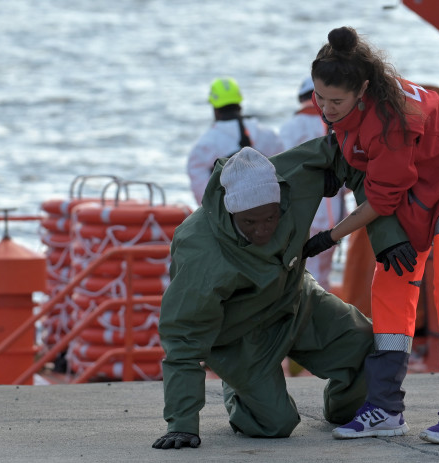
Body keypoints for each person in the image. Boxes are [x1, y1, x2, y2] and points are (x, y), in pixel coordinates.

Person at [302, 26, 439, 444]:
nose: (326, 108)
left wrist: (328, 238)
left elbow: (381, 202)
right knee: (389, 289)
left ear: (363, 89)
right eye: (320, 97)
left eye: (336, 101)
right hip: (415, 197)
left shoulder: (392, 122)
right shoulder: (348, 109)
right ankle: (386, 408)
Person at [152, 139, 405, 450]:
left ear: (283, 199)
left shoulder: (297, 177)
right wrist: (182, 423)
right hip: (240, 336)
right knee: (275, 425)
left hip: (295, 296)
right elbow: (183, 336)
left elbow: (355, 156)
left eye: (270, 218)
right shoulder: (200, 250)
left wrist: (388, 238)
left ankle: (344, 410)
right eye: (250, 222)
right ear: (231, 212)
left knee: (370, 346)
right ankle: (238, 391)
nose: (262, 230)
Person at [278, 76, 347, 290]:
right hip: (335, 214)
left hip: (302, 211)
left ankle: (308, 319)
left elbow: (281, 172)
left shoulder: (290, 128)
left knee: (304, 273)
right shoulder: (341, 125)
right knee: (322, 274)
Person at [187, 77, 284, 205]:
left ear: (215, 109)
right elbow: (283, 169)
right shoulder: (267, 135)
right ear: (240, 105)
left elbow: (203, 196)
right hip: (269, 209)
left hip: (231, 213)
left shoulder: (205, 145)